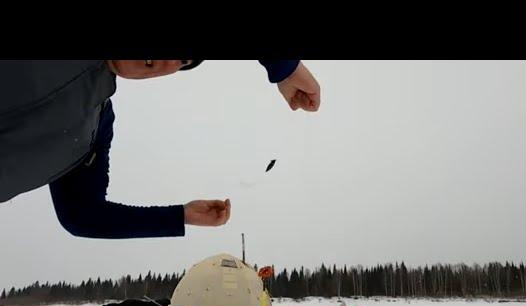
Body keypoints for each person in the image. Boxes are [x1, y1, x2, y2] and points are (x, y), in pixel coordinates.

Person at [0, 60, 321, 238]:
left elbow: (83, 215)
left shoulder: (94, 125)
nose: (171, 60)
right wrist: (284, 65)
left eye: (183, 62)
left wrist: (180, 216)